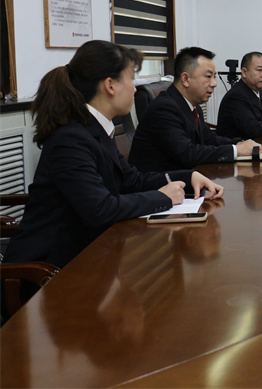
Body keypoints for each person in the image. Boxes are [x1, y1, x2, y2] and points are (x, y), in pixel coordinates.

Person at [3, 40, 223, 269]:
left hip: (89, 255)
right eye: (130, 79)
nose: (135, 88)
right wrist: (164, 197)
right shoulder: (71, 139)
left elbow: (132, 180)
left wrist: (188, 178)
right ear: (110, 85)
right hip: (47, 270)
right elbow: (100, 209)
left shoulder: (96, 131)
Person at [129, 47, 262, 172]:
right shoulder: (164, 108)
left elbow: (208, 138)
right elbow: (187, 153)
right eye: (208, 76)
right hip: (158, 189)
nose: (214, 83)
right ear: (185, 79)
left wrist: (241, 143)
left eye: (214, 77)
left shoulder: (192, 105)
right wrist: (235, 150)